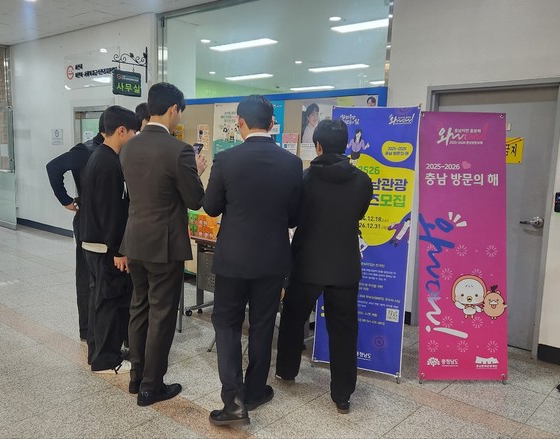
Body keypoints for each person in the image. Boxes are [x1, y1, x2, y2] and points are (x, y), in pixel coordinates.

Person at [204, 94, 303, 426]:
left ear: (240, 122)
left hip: (232, 258)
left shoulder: (226, 159)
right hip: (273, 259)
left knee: (227, 325)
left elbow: (211, 207)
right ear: (272, 123)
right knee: (262, 324)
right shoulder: (292, 163)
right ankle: (256, 391)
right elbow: (294, 217)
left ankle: (233, 401)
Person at [275, 119, 372, 415]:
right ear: (345, 145)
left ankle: (287, 371)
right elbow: (359, 213)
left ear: (317, 146)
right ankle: (342, 395)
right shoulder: (363, 181)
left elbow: (292, 218)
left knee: (293, 318)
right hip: (345, 266)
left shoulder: (304, 179)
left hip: (306, 263)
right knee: (344, 329)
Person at [120, 82, 208, 406]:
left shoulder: (128, 147)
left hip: (135, 240)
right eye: (179, 112)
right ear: (173, 109)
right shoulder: (179, 150)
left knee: (139, 307)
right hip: (165, 245)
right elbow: (195, 200)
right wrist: (196, 171)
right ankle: (151, 386)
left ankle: (136, 377)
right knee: (162, 314)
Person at [79, 105, 139, 373]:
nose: (134, 138)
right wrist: (118, 251)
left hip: (93, 242)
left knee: (99, 301)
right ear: (122, 131)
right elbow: (111, 212)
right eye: (134, 132)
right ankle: (106, 359)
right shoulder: (109, 163)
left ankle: (97, 352)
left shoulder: (98, 157)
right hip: (104, 247)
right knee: (109, 303)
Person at [45, 112, 106, 345]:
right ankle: (87, 329)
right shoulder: (85, 150)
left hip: (105, 220)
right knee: (87, 276)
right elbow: (53, 167)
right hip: (87, 220)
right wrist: (66, 201)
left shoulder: (110, 151)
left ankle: (102, 328)